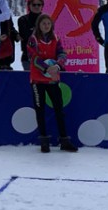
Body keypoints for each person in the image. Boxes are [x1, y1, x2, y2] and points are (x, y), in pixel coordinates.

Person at [26, 13, 78, 153]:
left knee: (59, 110)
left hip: (53, 79)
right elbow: (33, 57)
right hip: (37, 80)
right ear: (39, 25)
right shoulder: (33, 39)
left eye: (48, 24)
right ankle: (44, 141)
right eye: (43, 24)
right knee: (40, 110)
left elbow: (62, 54)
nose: (46, 26)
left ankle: (64, 140)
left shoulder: (56, 38)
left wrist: (58, 65)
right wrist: (46, 67)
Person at [17, 0, 45, 66]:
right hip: (28, 57)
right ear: (29, 6)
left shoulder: (46, 20)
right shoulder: (22, 20)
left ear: (42, 6)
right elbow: (26, 36)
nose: (36, 6)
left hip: (45, 57)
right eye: (34, 4)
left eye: (39, 5)